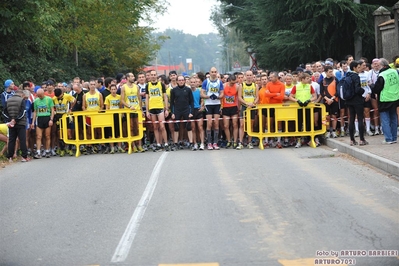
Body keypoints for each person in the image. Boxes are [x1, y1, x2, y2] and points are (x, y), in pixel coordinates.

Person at [372, 58, 399, 144]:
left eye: (379, 65)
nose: (378, 67)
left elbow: (377, 88)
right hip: (395, 97)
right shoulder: (395, 72)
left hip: (385, 99)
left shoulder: (382, 75)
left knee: (385, 120)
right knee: (394, 118)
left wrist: (372, 87)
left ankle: (388, 138)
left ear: (383, 66)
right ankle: (394, 137)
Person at [288, 73, 317, 148]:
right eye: (307, 78)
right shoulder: (296, 86)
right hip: (299, 108)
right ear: (302, 79)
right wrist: (297, 101)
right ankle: (298, 140)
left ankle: (309, 139)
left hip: (307, 107)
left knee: (309, 123)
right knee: (298, 124)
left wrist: (309, 101)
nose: (309, 79)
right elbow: (290, 97)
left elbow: (315, 96)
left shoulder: (310, 86)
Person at [146, 70, 170, 151]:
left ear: (156, 76)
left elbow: (165, 97)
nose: (153, 76)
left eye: (154, 75)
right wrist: (147, 110)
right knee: (155, 127)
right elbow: (146, 98)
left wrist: (166, 109)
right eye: (151, 75)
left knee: (162, 126)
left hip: (160, 107)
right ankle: (158, 143)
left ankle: (166, 143)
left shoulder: (161, 84)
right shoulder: (148, 85)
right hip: (152, 108)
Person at [2, 90, 29, 162]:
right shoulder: (21, 100)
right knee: (22, 139)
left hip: (11, 124)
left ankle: (10, 157)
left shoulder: (8, 100)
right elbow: (23, 112)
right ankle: (24, 157)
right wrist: (16, 120)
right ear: (22, 94)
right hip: (20, 123)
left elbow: (4, 112)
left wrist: (10, 120)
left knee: (11, 140)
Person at [201, 67, 224, 150]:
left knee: (216, 123)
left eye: (215, 72)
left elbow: (222, 94)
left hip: (217, 104)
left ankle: (215, 142)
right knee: (209, 123)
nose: (213, 73)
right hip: (208, 104)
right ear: (210, 73)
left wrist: (217, 97)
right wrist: (208, 96)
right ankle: (209, 143)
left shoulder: (219, 82)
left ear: (216, 72)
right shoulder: (206, 82)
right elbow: (202, 94)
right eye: (212, 72)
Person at [170, 75, 194, 151]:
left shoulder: (188, 90)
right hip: (177, 110)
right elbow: (171, 103)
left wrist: (191, 112)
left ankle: (191, 143)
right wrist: (172, 113)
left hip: (186, 110)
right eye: (179, 80)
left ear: (184, 81)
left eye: (182, 80)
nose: (181, 81)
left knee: (189, 127)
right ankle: (176, 143)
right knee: (176, 127)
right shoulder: (173, 90)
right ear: (177, 81)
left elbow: (192, 101)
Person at [345, 60, 367, 146]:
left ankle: (352, 140)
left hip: (349, 100)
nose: (359, 69)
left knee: (352, 119)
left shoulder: (347, 75)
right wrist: (363, 91)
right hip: (357, 100)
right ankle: (361, 139)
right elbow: (357, 89)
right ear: (354, 68)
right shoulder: (356, 76)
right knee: (360, 118)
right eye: (358, 67)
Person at [121, 73, 143, 152]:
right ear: (127, 78)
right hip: (129, 110)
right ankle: (133, 145)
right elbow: (122, 100)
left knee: (138, 127)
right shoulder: (123, 87)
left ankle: (139, 145)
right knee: (130, 128)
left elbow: (139, 98)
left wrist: (140, 109)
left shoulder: (136, 87)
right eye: (132, 76)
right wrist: (129, 106)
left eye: (134, 76)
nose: (133, 78)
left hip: (137, 110)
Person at [31, 89, 55, 158]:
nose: (40, 97)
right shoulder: (36, 101)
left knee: (47, 136)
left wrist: (51, 119)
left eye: (41, 96)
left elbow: (52, 110)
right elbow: (35, 111)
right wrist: (33, 122)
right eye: (38, 96)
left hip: (47, 117)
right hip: (40, 118)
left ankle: (47, 151)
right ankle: (38, 152)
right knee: (38, 136)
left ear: (43, 94)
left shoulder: (49, 99)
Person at [237, 70, 258, 149]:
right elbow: (239, 97)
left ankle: (249, 142)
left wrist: (253, 103)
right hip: (244, 107)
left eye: (250, 75)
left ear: (253, 76)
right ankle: (240, 142)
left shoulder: (255, 86)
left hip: (251, 107)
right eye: (248, 75)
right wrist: (246, 103)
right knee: (242, 124)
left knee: (250, 124)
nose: (249, 77)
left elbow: (257, 97)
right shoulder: (241, 85)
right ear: (245, 76)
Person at [52, 88, 75, 157]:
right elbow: (52, 106)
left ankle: (70, 149)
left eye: (59, 96)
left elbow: (74, 100)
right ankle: (62, 149)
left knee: (69, 132)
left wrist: (71, 108)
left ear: (62, 93)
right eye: (57, 96)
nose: (58, 97)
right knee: (60, 133)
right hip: (59, 116)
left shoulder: (67, 96)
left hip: (66, 116)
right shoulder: (54, 98)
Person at [320, 66, 339, 139]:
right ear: (326, 72)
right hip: (326, 101)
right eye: (330, 72)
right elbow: (321, 92)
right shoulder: (323, 81)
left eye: (332, 71)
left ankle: (334, 131)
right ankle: (327, 131)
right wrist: (327, 99)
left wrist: (332, 98)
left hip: (334, 100)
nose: (331, 73)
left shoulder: (335, 79)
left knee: (334, 116)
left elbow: (337, 91)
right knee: (327, 117)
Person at [221, 74, 239, 148]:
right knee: (226, 125)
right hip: (225, 107)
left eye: (234, 83)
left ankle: (235, 141)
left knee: (235, 124)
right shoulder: (224, 86)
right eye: (232, 83)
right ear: (228, 81)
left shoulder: (237, 86)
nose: (233, 84)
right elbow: (221, 97)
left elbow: (238, 97)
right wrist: (221, 107)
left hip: (234, 107)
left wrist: (239, 107)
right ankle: (229, 141)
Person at [190, 77, 205, 150]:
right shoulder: (188, 91)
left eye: (194, 82)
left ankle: (202, 143)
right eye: (191, 82)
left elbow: (202, 100)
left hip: (198, 110)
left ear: (197, 83)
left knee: (200, 127)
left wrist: (202, 106)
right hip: (191, 111)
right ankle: (195, 143)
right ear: (189, 83)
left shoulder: (199, 91)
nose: (193, 84)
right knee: (193, 128)